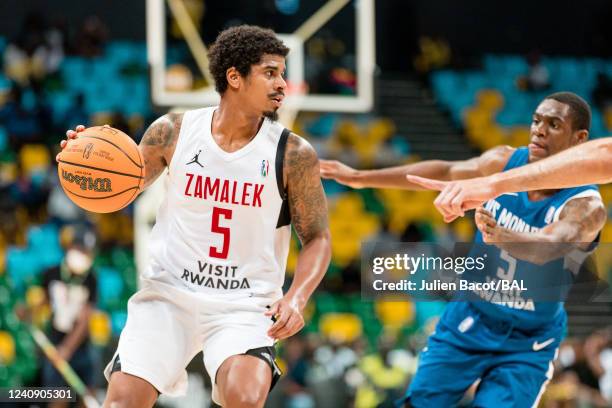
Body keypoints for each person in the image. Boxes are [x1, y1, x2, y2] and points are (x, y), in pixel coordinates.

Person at [59, 25, 331, 408]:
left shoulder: (293, 154)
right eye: (270, 72)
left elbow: (317, 238)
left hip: (245, 304)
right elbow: (123, 188)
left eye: (282, 73)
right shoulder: (174, 131)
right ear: (234, 77)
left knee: (245, 398)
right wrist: (86, 162)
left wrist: (297, 298)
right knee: (121, 402)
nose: (282, 83)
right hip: (170, 294)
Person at [320, 92, 607, 406]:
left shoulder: (586, 206)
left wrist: (503, 236)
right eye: (536, 120)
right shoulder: (502, 161)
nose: (539, 130)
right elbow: (446, 172)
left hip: (529, 340)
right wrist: (361, 178)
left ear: (580, 140)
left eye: (554, 124)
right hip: (470, 317)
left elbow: (550, 247)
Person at [40, 224, 98, 408]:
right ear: (70, 248)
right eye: (80, 250)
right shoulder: (51, 273)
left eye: (87, 253)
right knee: (58, 398)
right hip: (54, 344)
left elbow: (84, 319)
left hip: (80, 347)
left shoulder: (91, 279)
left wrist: (67, 348)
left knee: (86, 397)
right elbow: (42, 304)